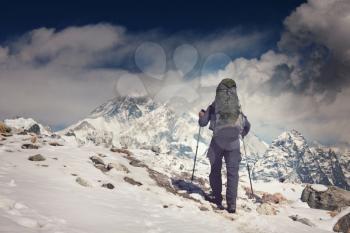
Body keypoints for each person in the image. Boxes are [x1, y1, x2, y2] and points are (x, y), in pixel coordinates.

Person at [198, 78, 250, 213]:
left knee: (215, 170)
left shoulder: (214, 106)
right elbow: (247, 126)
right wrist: (241, 134)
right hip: (233, 143)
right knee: (233, 173)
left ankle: (216, 197)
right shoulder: (237, 108)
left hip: (217, 142)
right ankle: (231, 204)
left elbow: (203, 123)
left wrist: (201, 115)